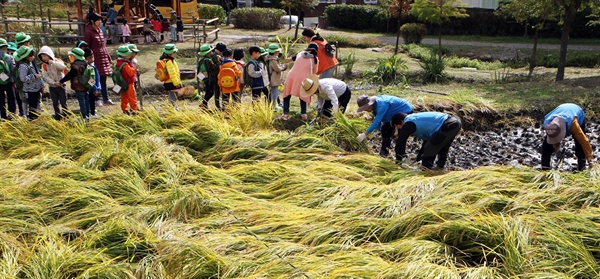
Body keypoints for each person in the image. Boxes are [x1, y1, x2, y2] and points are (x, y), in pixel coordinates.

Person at [392, 112, 462, 170]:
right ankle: (440, 169)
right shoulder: (415, 119)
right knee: (442, 147)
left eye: (396, 126)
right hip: (454, 122)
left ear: (401, 122)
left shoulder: (408, 123)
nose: (397, 129)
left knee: (430, 148)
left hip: (449, 124)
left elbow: (400, 142)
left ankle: (425, 171)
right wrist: (419, 157)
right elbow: (427, 141)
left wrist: (398, 162)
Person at [541, 103, 594, 171]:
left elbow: (584, 141)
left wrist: (590, 159)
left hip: (575, 111)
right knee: (546, 147)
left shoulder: (573, 124)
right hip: (561, 110)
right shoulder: (548, 124)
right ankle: (545, 170)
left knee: (579, 144)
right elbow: (553, 136)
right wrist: (556, 147)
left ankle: (581, 168)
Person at [84, 13, 114, 106]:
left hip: (102, 57)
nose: (100, 22)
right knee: (93, 78)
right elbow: (86, 47)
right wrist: (87, 59)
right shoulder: (88, 32)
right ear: (92, 21)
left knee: (103, 78)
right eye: (98, 20)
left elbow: (103, 46)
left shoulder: (100, 30)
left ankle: (106, 98)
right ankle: (95, 98)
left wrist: (109, 58)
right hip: (94, 58)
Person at [282, 46, 318, 121]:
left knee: (287, 95)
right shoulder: (315, 59)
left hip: (291, 76)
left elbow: (293, 58)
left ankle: (285, 114)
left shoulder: (300, 53)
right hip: (304, 79)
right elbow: (314, 72)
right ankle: (304, 114)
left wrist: (288, 60)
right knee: (303, 95)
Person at [38, 45, 68, 120]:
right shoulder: (44, 66)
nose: (43, 58)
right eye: (42, 56)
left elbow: (62, 67)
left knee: (63, 101)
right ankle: (57, 115)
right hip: (52, 86)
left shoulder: (57, 61)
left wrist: (53, 62)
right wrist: (53, 83)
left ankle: (66, 115)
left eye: (45, 56)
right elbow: (45, 76)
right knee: (55, 102)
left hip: (61, 85)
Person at [59, 47, 89, 120]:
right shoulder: (86, 63)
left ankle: (84, 116)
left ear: (75, 56)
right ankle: (88, 114)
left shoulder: (75, 65)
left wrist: (61, 81)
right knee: (86, 100)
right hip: (87, 85)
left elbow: (70, 75)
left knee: (81, 101)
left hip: (79, 86)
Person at [14, 45, 43, 120]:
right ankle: (32, 118)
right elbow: (23, 78)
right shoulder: (23, 66)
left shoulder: (29, 64)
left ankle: (35, 117)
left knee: (35, 104)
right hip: (30, 89)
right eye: (31, 55)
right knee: (32, 106)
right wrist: (34, 76)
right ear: (26, 57)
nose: (33, 57)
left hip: (35, 88)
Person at [266, 43, 290, 111]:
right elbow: (277, 69)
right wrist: (284, 66)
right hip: (274, 78)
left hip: (273, 78)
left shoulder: (271, 58)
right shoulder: (273, 60)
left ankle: (274, 105)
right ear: (275, 52)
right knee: (275, 92)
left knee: (273, 92)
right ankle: (274, 106)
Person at [115, 45, 138, 114]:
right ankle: (134, 110)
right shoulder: (125, 64)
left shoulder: (118, 63)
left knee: (124, 97)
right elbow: (131, 73)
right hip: (129, 83)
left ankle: (124, 109)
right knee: (132, 97)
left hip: (122, 83)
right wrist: (135, 69)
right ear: (124, 55)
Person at [198, 44, 221, 109]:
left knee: (209, 92)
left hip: (204, 78)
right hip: (209, 79)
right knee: (210, 92)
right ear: (208, 53)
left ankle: (204, 104)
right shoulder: (208, 60)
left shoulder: (202, 60)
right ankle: (203, 103)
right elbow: (214, 68)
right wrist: (218, 62)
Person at [0, 38, 17, 120]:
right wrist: (7, 76)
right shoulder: (9, 57)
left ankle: (2, 116)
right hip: (9, 81)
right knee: (11, 98)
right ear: (5, 47)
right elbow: (13, 69)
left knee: (1, 99)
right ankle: (12, 115)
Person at [84, 48, 101, 119]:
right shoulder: (89, 67)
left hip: (95, 86)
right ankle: (92, 113)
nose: (92, 59)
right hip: (91, 88)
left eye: (93, 57)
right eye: (90, 58)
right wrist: (94, 88)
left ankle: (92, 112)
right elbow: (91, 79)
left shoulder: (93, 65)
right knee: (91, 101)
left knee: (92, 100)